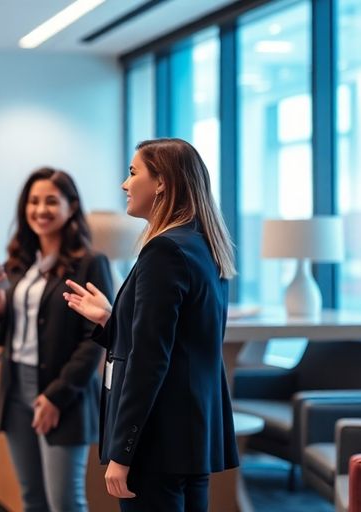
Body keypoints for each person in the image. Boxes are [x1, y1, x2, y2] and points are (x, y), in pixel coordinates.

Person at [63, 138, 239, 511]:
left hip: (157, 442)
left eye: (133, 172)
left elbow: (149, 361)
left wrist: (122, 451)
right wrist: (111, 317)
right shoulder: (204, 245)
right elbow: (181, 344)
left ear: (161, 182)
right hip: (190, 439)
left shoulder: (164, 251)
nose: (125, 184)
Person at [0, 167, 114, 512]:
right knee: (32, 500)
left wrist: (56, 396)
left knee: (65, 503)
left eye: (51, 201)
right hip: (15, 392)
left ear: (72, 206)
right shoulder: (17, 265)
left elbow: (95, 340)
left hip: (64, 395)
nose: (41, 209)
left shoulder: (90, 263)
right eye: (34, 201)